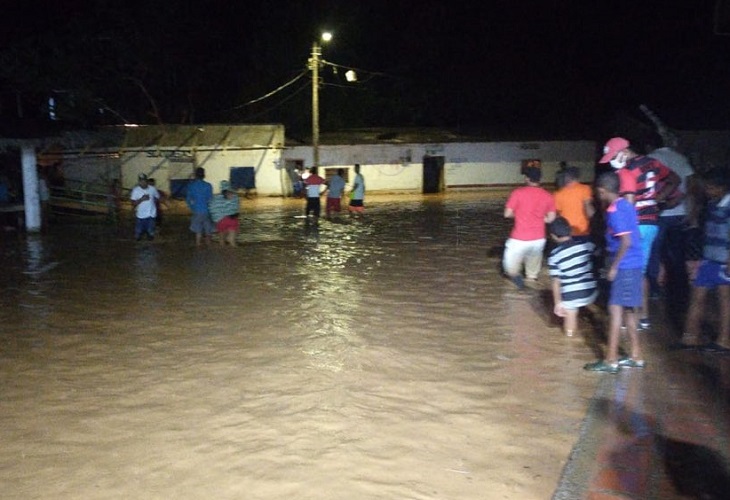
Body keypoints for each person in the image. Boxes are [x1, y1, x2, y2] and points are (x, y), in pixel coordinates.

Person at [599, 136, 681, 330]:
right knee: (639, 270)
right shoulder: (652, 163)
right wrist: (657, 200)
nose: (612, 161)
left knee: (633, 271)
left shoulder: (626, 172)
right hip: (651, 222)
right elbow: (675, 179)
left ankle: (635, 316)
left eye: (613, 156)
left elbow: (628, 203)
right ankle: (640, 316)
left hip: (637, 224)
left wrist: (617, 222)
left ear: (625, 152)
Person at [585, 171, 645, 373]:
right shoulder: (625, 204)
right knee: (628, 311)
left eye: (597, 192)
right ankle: (636, 355)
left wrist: (613, 266)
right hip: (634, 264)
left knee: (615, 310)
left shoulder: (614, 212)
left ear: (602, 191)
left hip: (625, 265)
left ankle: (611, 359)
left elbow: (625, 242)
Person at [678, 169, 730, 352]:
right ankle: (690, 337)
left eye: (710, 188)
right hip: (708, 259)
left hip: (724, 261)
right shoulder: (712, 203)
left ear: (722, 188)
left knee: (725, 302)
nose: (707, 190)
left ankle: (725, 341)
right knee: (697, 297)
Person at [502, 166, 556, 289]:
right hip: (539, 239)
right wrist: (541, 219)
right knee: (532, 274)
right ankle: (531, 295)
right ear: (540, 179)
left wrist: (519, 215)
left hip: (519, 238)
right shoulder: (547, 195)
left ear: (526, 178)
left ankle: (518, 288)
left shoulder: (517, 193)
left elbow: (507, 214)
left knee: (510, 269)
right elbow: (551, 218)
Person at [547, 216, 598, 337]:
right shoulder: (587, 245)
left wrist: (558, 303)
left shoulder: (554, 256)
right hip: (591, 291)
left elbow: (556, 282)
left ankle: (570, 340)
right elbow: (598, 253)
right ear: (570, 230)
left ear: (553, 236)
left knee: (570, 315)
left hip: (572, 295)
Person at [553, 166, 595, 242]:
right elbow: (589, 210)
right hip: (583, 230)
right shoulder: (585, 189)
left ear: (566, 177)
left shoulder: (558, 194)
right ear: (577, 177)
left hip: (566, 233)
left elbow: (557, 215)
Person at [185, 167, 214, 246]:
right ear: (204, 175)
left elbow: (188, 200)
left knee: (198, 231)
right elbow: (210, 199)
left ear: (196, 175)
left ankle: (198, 246)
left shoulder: (191, 186)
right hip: (206, 211)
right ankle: (209, 248)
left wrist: (192, 208)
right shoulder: (208, 185)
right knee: (208, 231)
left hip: (197, 211)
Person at [209, 180, 240, 247]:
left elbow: (212, 208)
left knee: (221, 238)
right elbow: (236, 208)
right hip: (232, 219)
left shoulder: (216, 198)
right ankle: (234, 250)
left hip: (220, 220)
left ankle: (223, 252)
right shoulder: (235, 197)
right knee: (232, 241)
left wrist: (215, 219)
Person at [130, 173, 160, 241]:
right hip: (141, 215)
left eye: (144, 181)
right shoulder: (136, 190)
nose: (142, 183)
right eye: (141, 181)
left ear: (146, 181)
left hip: (151, 214)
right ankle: (139, 239)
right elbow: (132, 203)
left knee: (150, 233)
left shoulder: (152, 189)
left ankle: (150, 239)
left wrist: (154, 203)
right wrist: (141, 199)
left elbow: (157, 197)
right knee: (138, 234)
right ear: (139, 182)